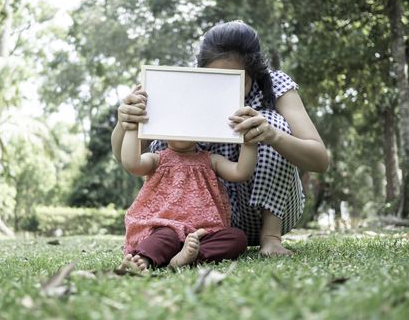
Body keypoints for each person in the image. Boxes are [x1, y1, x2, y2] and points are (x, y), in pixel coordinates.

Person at [112, 20, 329, 257]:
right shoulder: (182, 88)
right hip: (199, 220)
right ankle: (172, 240)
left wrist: (272, 136)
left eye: (235, 81)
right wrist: (126, 122)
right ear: (201, 70)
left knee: (269, 122)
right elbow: (126, 157)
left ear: (253, 74)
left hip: (267, 211)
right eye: (216, 79)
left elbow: (320, 160)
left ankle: (271, 238)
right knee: (172, 121)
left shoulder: (276, 85)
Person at [118, 115, 257, 272]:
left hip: (202, 235)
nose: (181, 129)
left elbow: (241, 172)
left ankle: (190, 257)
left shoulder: (211, 160)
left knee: (237, 237)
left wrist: (249, 142)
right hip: (165, 228)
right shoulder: (157, 159)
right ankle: (142, 260)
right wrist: (132, 127)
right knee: (164, 238)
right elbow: (132, 164)